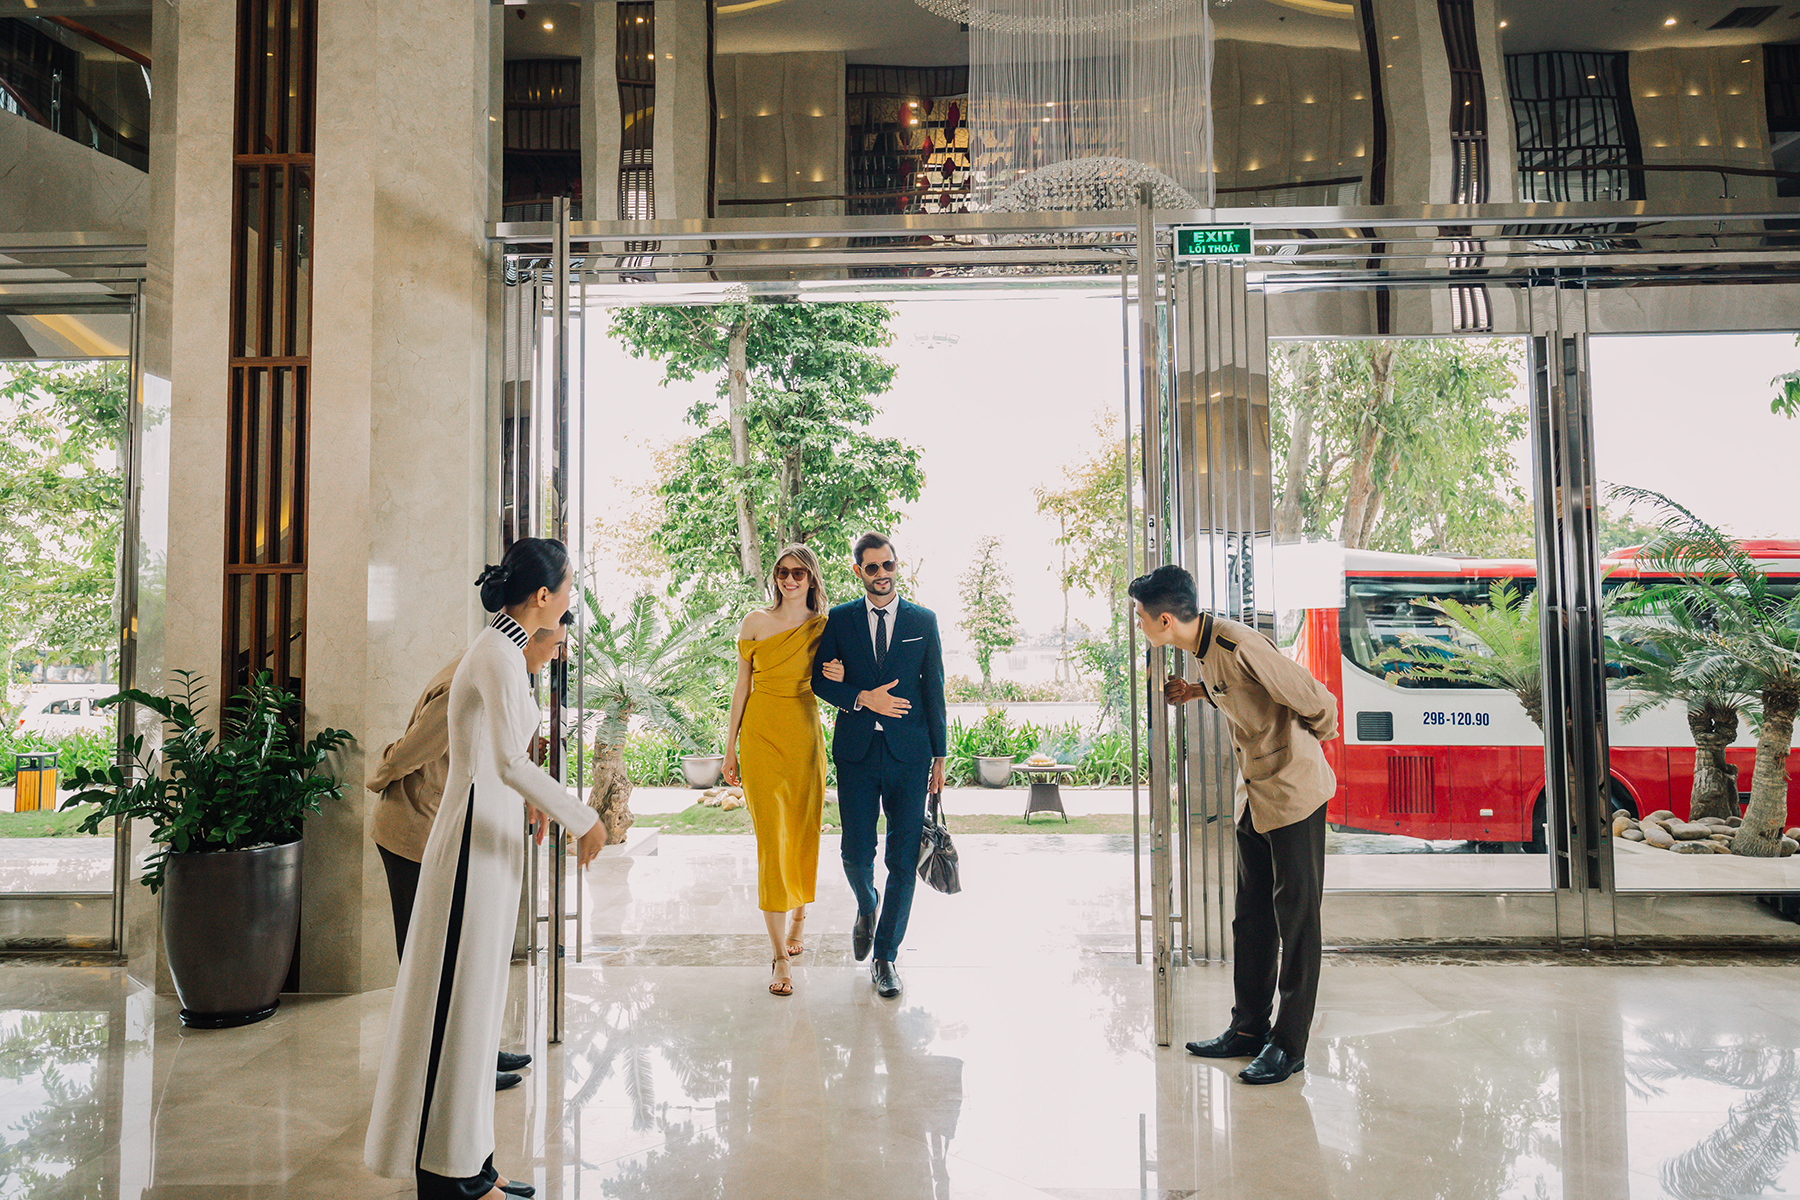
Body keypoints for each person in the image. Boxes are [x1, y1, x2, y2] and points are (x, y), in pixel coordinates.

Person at [366, 539, 609, 1200]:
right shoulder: (498, 657)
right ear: (541, 597)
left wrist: (537, 813)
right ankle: (449, 1178)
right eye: (566, 588)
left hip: (491, 842)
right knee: (457, 1013)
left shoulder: (505, 652)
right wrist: (581, 816)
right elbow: (507, 762)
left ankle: (475, 1166)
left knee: (475, 1015)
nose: (568, 600)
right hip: (471, 848)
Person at [1130, 563, 1339, 1086]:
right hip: (1256, 797)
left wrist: (1301, 748)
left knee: (1298, 922)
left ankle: (1289, 1047)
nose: (1137, 624)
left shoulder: (1236, 642)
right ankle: (1247, 1030)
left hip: (1293, 795)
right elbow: (1238, 687)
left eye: (1139, 616)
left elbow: (1318, 702)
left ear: (1162, 621)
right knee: (1251, 919)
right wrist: (1197, 692)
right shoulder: (1205, 649)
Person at [366, 613, 570, 1092]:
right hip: (413, 832)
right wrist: (377, 775)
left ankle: (471, 1052)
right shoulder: (477, 673)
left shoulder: (508, 672)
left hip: (449, 829)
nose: (559, 654)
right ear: (532, 638)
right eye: (556, 644)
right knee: (431, 957)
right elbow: (413, 750)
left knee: (460, 953)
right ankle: (437, 1069)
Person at [811, 533, 948, 999]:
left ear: (896, 564)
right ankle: (866, 903)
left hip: (910, 757)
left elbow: (935, 691)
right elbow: (819, 682)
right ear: (859, 572)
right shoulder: (841, 620)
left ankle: (886, 957)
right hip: (857, 755)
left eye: (888, 564)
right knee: (855, 851)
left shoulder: (922, 621)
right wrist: (860, 697)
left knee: (903, 859)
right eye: (872, 568)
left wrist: (941, 756)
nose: (882, 574)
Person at [721, 545, 843, 997]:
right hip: (760, 737)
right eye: (782, 572)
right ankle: (777, 957)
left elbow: (839, 678)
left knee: (803, 829)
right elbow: (741, 684)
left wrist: (837, 668)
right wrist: (729, 747)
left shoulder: (824, 627)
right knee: (772, 840)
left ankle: (799, 917)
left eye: (798, 573)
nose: (789, 579)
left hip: (804, 736)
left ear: (812, 578)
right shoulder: (754, 621)